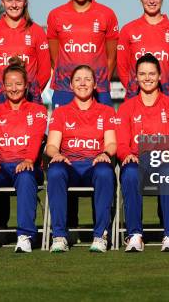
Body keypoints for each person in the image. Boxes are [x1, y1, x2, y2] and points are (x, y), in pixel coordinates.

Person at [0, 57, 48, 253]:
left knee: (25, 177)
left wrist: (28, 160)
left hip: (28, 166)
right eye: (9, 85)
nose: (14, 89)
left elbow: (36, 140)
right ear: (3, 87)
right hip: (2, 167)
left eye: (18, 84)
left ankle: (25, 236)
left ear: (26, 86)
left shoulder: (38, 110)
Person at [116, 53, 169, 252]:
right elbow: (122, 143)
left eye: (151, 74)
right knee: (129, 174)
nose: (147, 78)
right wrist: (125, 154)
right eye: (142, 74)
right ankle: (135, 235)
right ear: (136, 77)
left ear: (160, 76)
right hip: (138, 162)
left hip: (164, 162)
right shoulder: (126, 108)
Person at [45, 65, 117, 253]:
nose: (83, 83)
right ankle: (59, 236)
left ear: (95, 85)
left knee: (104, 171)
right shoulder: (61, 112)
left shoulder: (106, 111)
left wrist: (105, 154)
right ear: (70, 85)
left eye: (87, 79)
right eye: (78, 79)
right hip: (70, 165)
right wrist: (57, 154)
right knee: (55, 171)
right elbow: (50, 146)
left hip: (94, 164)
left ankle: (100, 235)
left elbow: (111, 144)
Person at [47, 0, 119, 108]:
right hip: (65, 88)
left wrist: (99, 82)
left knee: (101, 130)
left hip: (98, 89)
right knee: (64, 130)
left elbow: (112, 56)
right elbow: (55, 58)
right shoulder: (56, 15)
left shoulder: (106, 14)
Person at [117, 0, 169, 100]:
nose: (151, 0)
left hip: (166, 98)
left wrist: (167, 89)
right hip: (135, 98)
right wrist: (133, 89)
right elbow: (122, 68)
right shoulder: (128, 30)